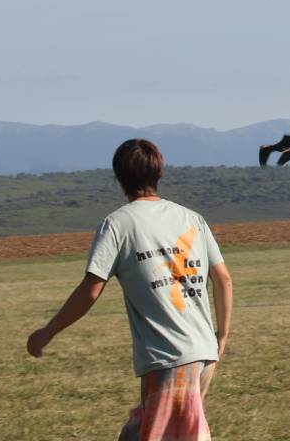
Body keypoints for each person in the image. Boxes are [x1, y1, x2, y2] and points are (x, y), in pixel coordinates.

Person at [26, 139, 233, 441]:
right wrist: (221, 335)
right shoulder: (191, 219)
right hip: (202, 352)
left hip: (169, 357)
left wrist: (47, 331)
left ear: (118, 176)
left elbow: (91, 290)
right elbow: (223, 279)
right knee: (137, 433)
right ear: (159, 172)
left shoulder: (117, 225)